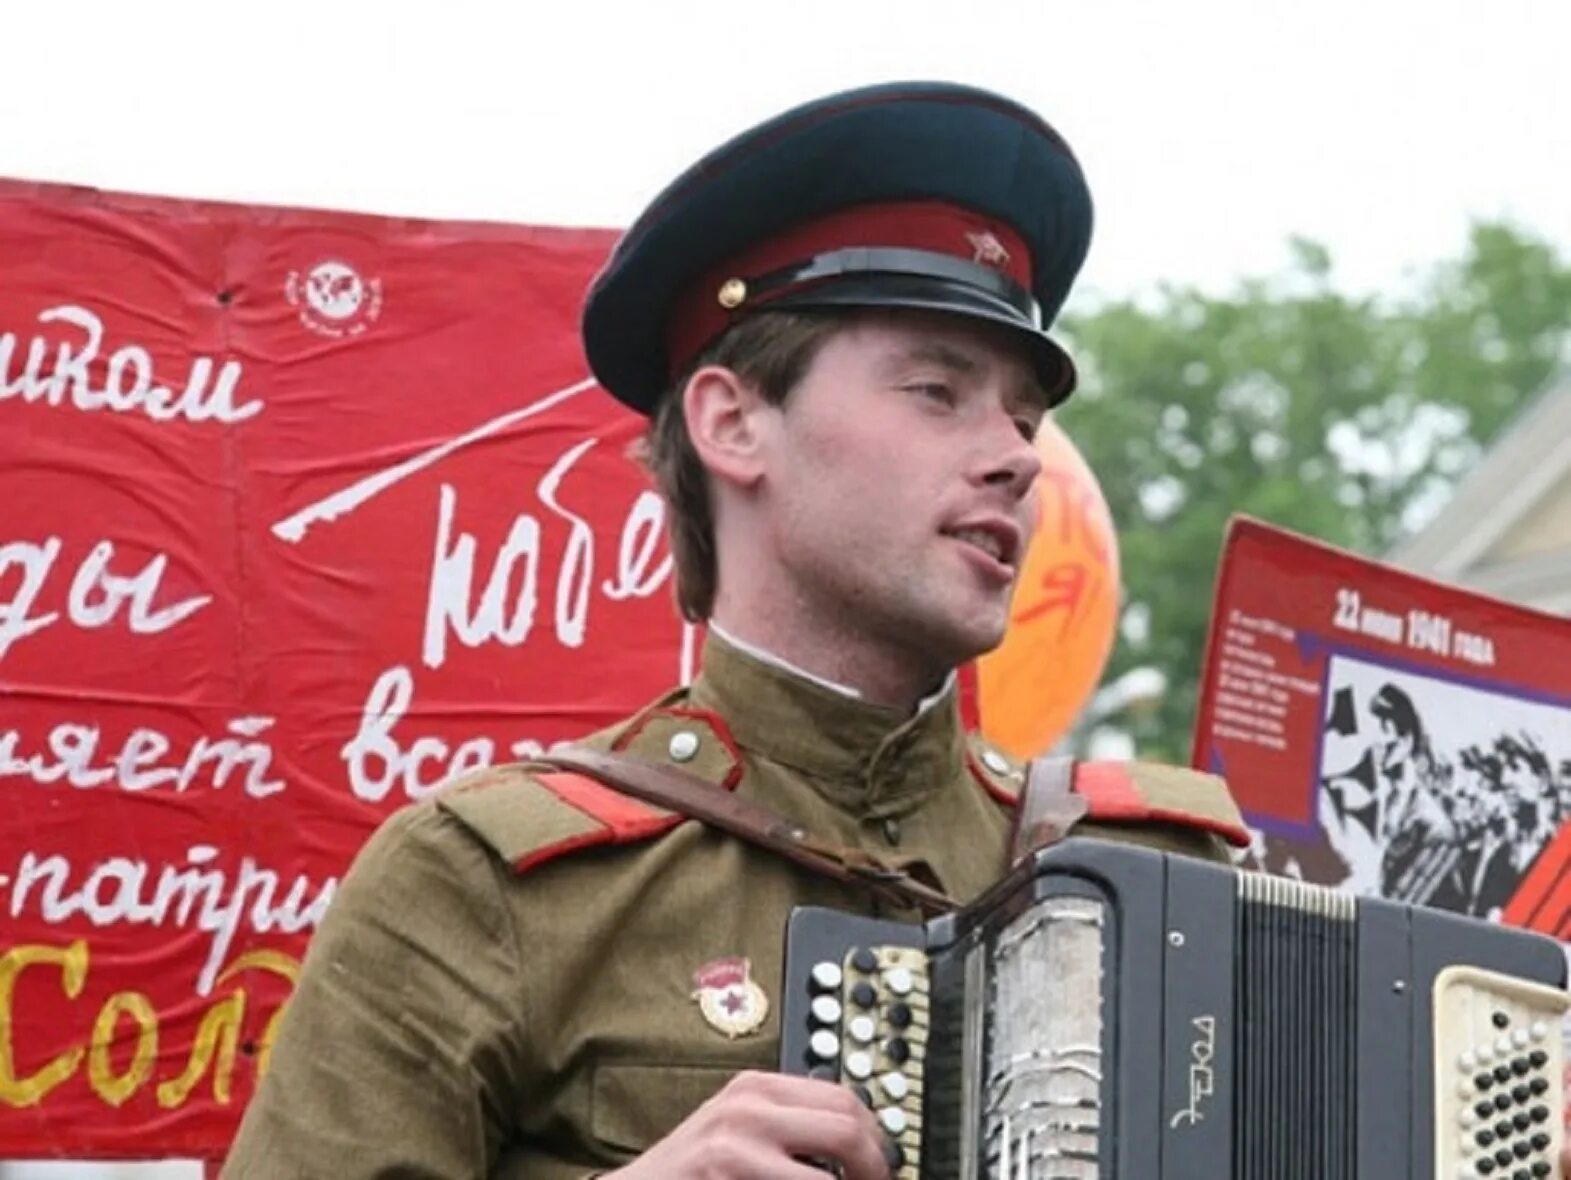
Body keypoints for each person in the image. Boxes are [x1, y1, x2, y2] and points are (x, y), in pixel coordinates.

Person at [222, 81, 1248, 1180]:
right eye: (936, 391)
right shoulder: (482, 886)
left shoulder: (1155, 876)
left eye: (1025, 418)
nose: (1014, 457)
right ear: (732, 422)